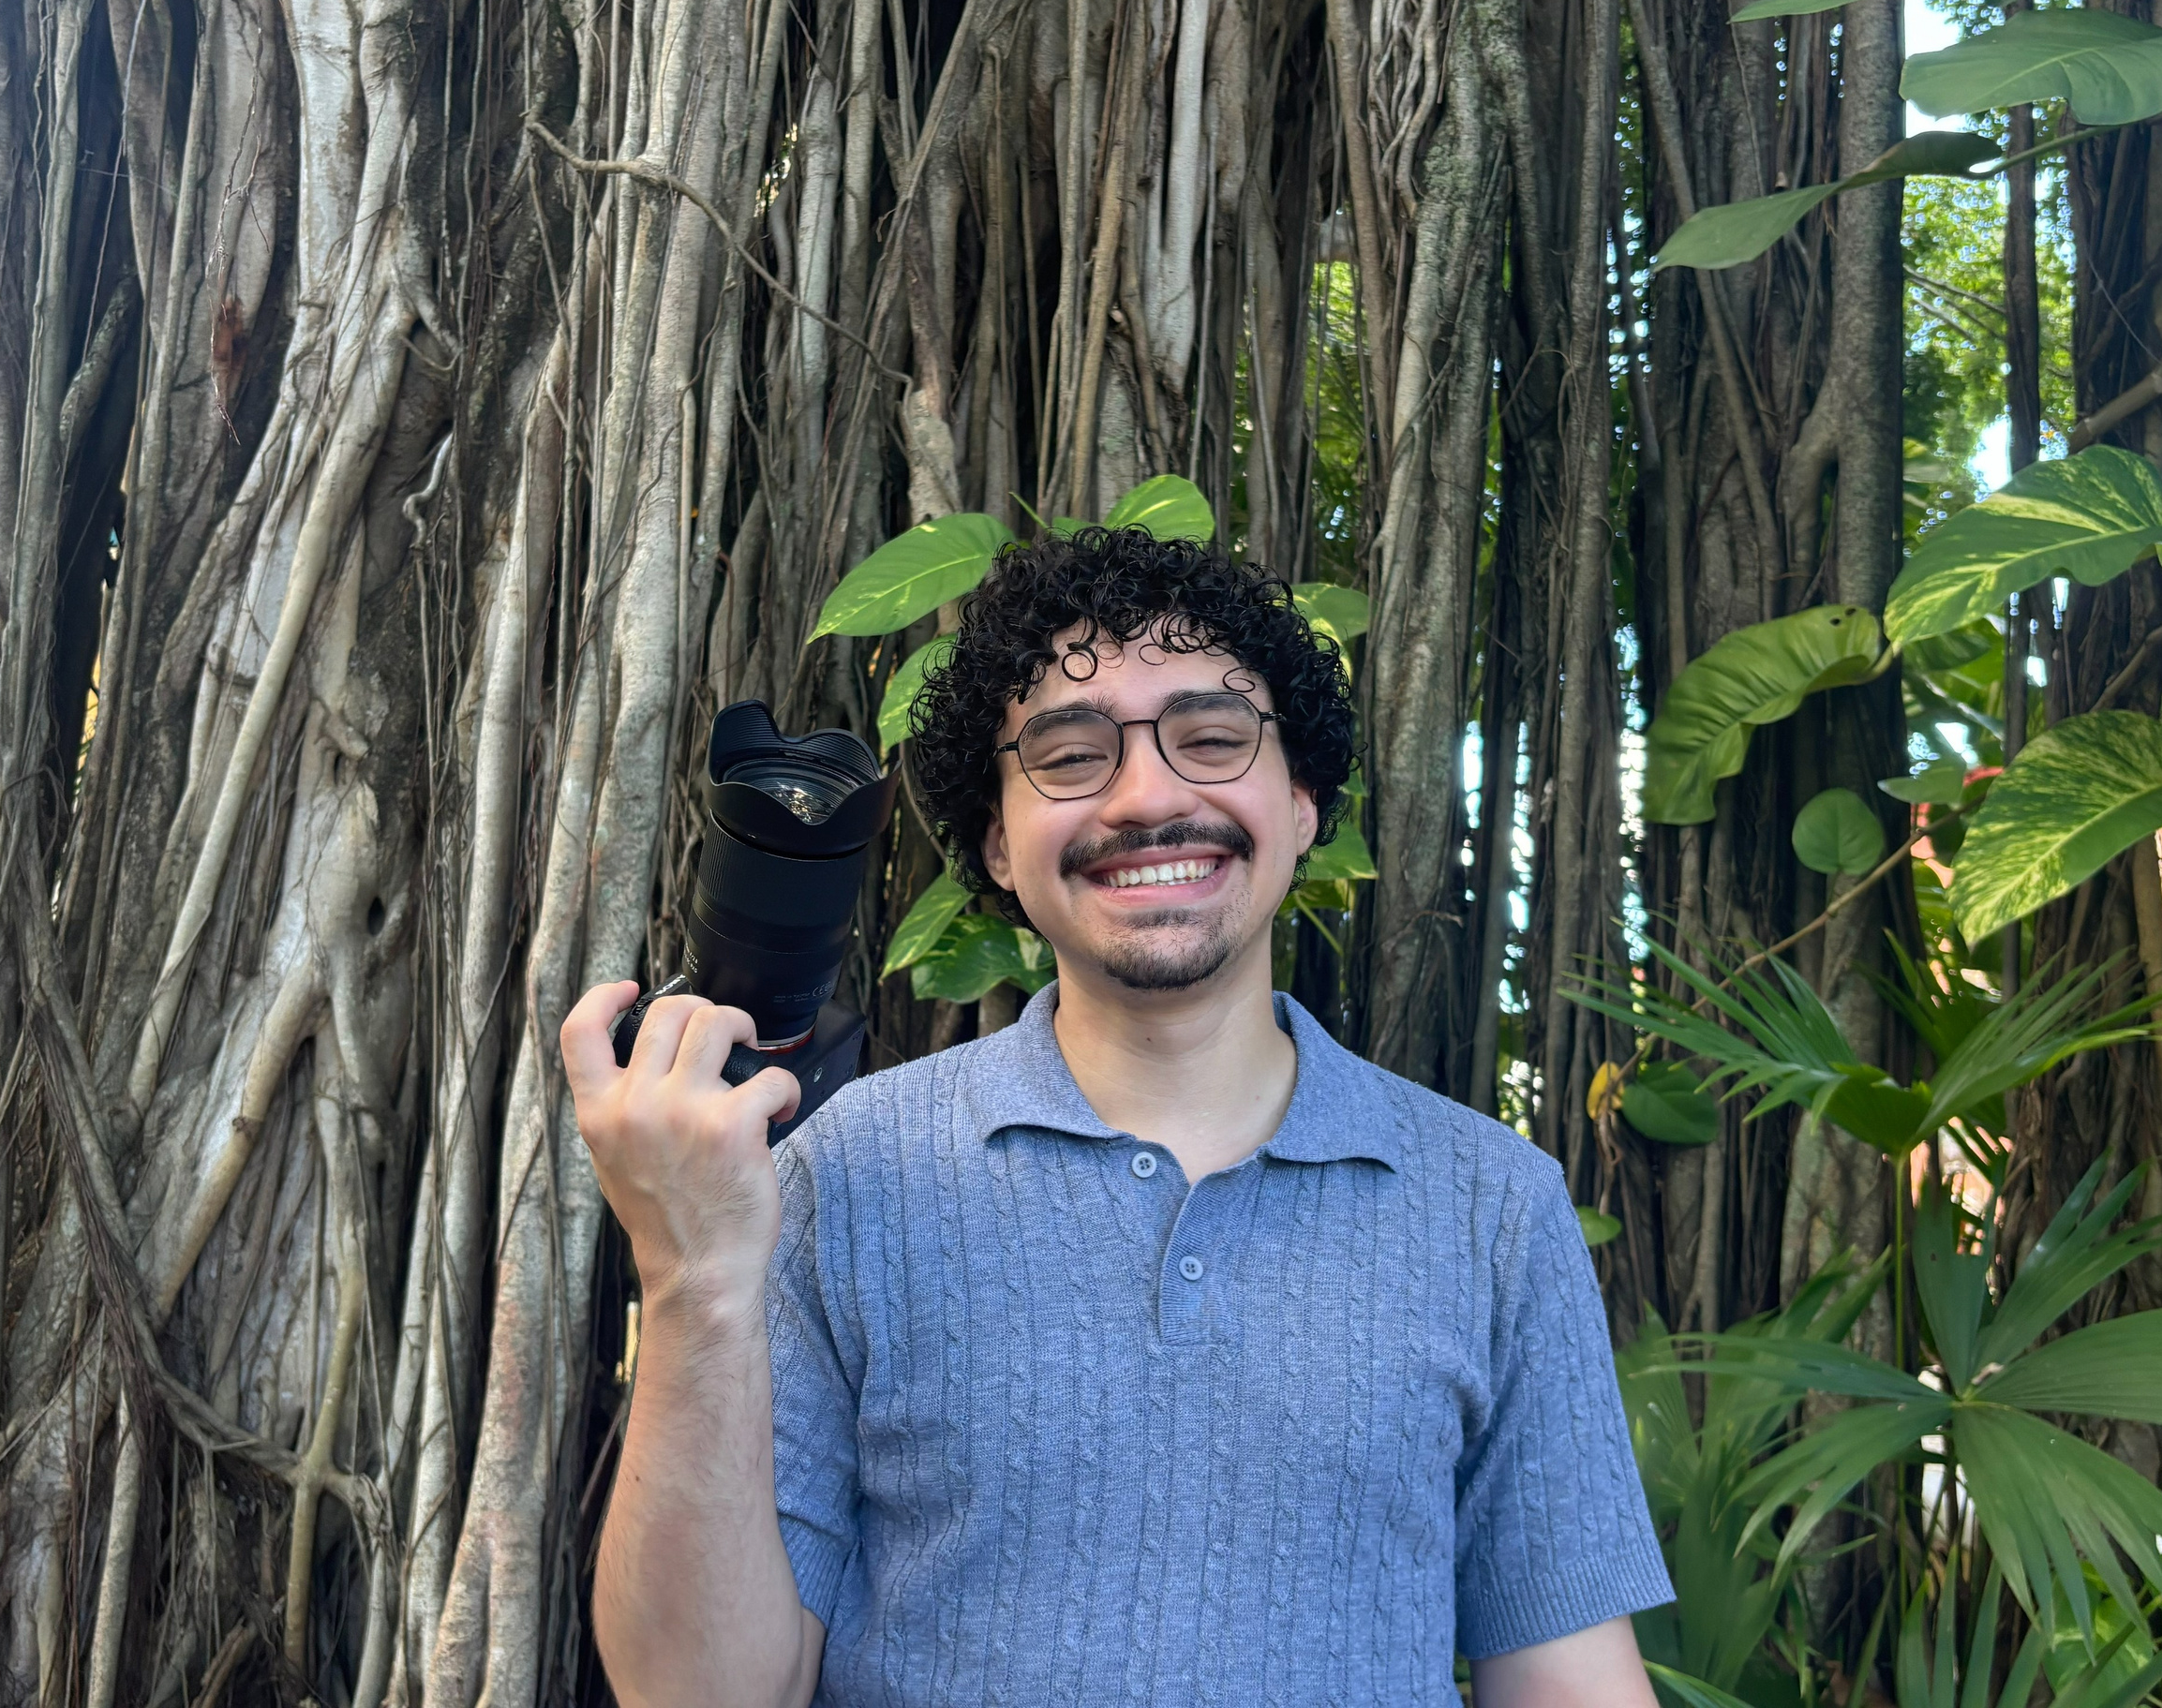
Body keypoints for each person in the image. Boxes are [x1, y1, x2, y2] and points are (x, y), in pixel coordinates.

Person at [563, 527, 1672, 1707]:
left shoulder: (1490, 1204)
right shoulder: (842, 1174)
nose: (1148, 796)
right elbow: (699, 1695)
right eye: (1071, 755)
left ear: (1302, 804)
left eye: (1213, 739)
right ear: (998, 843)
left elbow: (1568, 1681)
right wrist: (693, 1276)